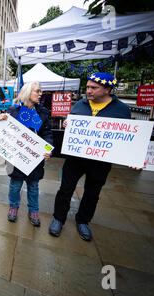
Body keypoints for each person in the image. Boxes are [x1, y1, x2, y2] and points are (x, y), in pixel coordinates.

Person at [49, 72, 131, 241]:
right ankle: (58, 218)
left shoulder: (121, 110)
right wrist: (67, 124)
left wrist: (133, 157)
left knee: (92, 193)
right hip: (75, 159)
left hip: (100, 162)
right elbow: (73, 126)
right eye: (87, 87)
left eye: (94, 88)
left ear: (107, 89)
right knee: (65, 188)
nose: (89, 91)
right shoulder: (80, 105)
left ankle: (83, 221)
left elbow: (128, 138)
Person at [0, 81, 53, 226]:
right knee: (15, 185)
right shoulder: (13, 110)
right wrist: (0, 120)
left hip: (35, 159)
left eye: (40, 91)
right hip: (16, 158)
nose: (40, 94)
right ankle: (13, 207)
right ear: (28, 92)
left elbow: (47, 134)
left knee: (33, 187)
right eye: (37, 91)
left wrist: (48, 149)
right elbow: (2, 132)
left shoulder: (43, 112)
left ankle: (33, 210)